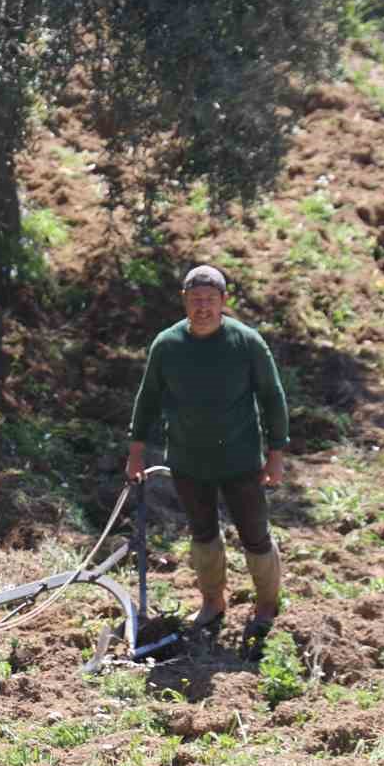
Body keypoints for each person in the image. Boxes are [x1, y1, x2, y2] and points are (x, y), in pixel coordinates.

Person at [125, 264, 289, 660]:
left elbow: (272, 397)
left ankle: (267, 604)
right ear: (185, 301)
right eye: (196, 300)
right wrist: (136, 450)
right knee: (202, 534)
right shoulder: (167, 345)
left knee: (254, 534)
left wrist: (276, 454)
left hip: (240, 458)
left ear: (223, 302)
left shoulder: (246, 343)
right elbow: (147, 399)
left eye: (210, 301)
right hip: (188, 458)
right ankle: (213, 602)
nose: (203, 308)